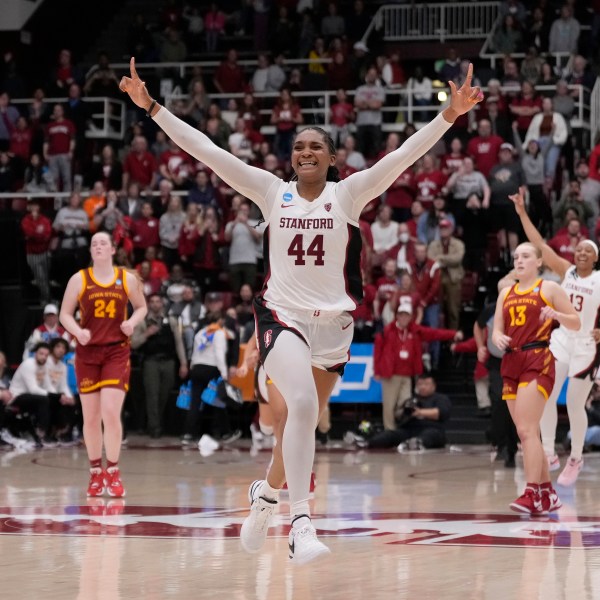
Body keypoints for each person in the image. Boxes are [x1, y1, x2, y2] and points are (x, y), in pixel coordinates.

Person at [119, 56, 483, 564]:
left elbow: (402, 156)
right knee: (304, 408)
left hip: (334, 327)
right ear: (291, 159)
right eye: (299, 146)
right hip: (280, 317)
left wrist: (450, 116)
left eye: (316, 146)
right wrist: (153, 108)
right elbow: (207, 151)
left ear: (332, 158)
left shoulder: (349, 194)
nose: (305, 151)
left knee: (300, 424)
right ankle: (302, 522)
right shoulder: (272, 192)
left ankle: (264, 498)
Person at [511, 188, 600, 487]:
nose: (582, 253)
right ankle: (548, 451)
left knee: (575, 404)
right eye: (579, 250)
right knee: (545, 396)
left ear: (596, 257)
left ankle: (575, 457)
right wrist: (522, 212)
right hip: (562, 339)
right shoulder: (567, 271)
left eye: (588, 251)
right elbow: (538, 245)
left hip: (588, 345)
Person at [491, 238, 579, 516]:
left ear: (539, 262)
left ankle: (531, 492)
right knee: (526, 433)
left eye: (526, 256)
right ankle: (548, 494)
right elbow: (495, 330)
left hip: (538, 358)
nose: (519, 260)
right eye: (516, 256)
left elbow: (576, 321)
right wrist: (498, 337)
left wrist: (556, 314)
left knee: (528, 430)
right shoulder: (505, 293)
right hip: (511, 361)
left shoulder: (549, 288)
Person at [59, 231, 147, 498]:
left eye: (103, 243)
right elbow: (64, 314)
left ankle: (113, 470)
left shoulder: (126, 279)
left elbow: (142, 308)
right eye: (94, 243)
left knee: (110, 413)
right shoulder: (79, 279)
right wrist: (77, 331)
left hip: (115, 353)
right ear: (91, 251)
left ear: (112, 250)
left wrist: (131, 323)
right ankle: (96, 471)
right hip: (87, 354)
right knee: (91, 417)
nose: (98, 246)